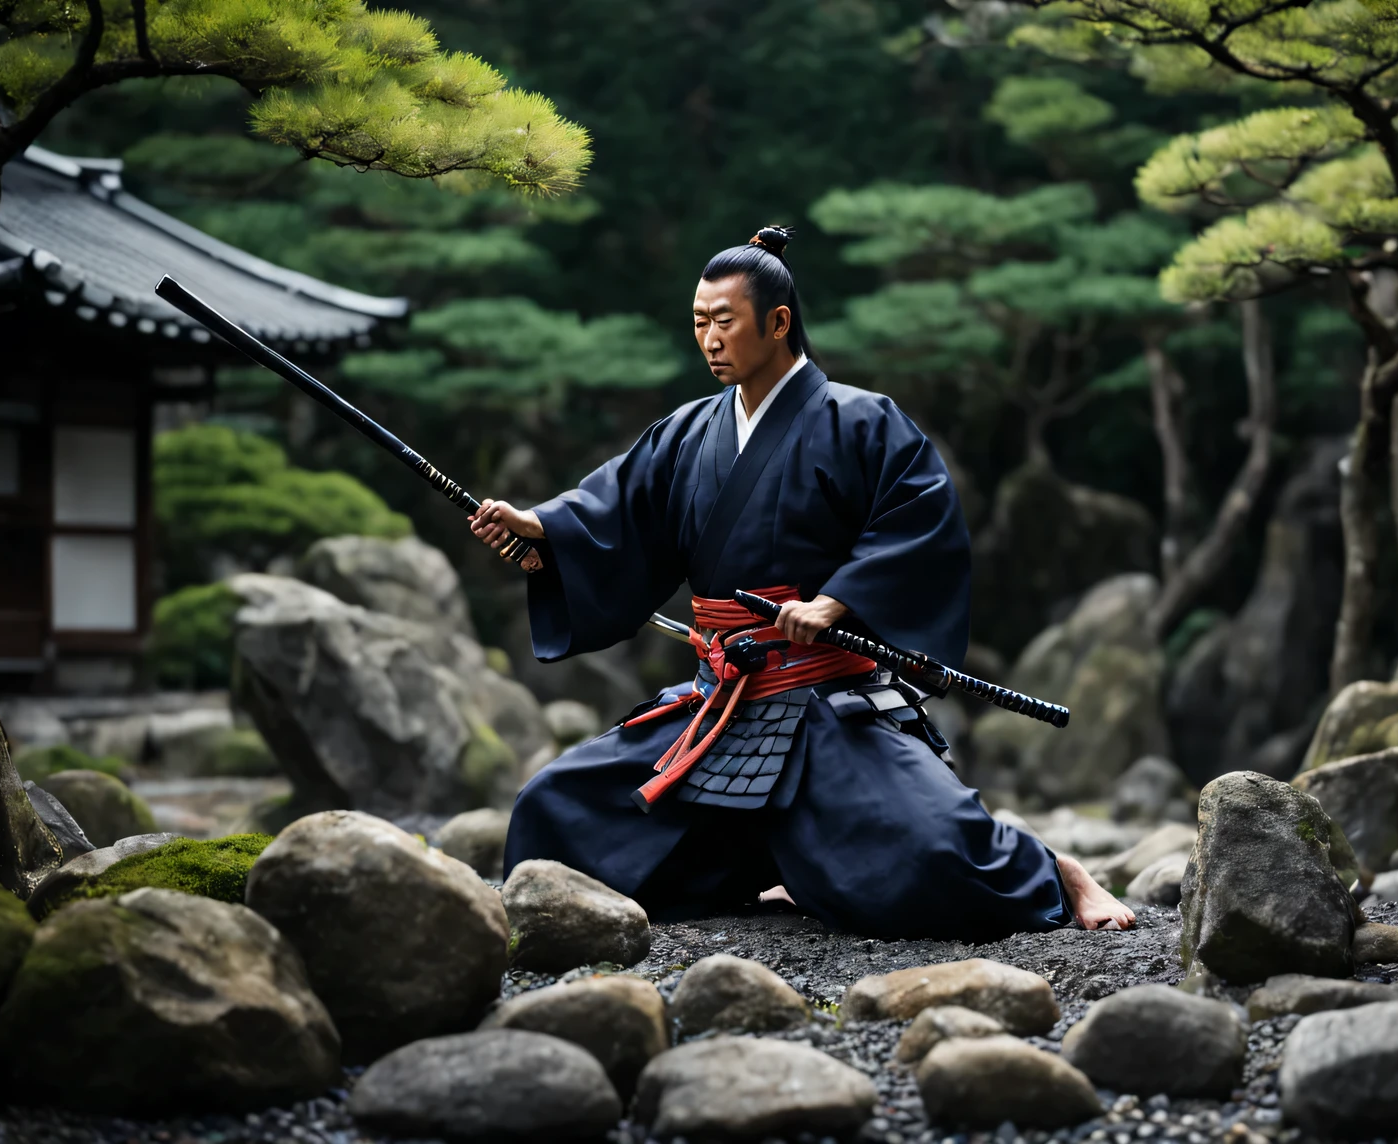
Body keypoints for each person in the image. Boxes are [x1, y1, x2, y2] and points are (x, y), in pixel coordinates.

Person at [469, 226, 1134, 939]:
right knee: (552, 810)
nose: (710, 340)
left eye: (724, 322)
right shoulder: (687, 432)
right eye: (699, 324)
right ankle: (777, 866)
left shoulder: (861, 420)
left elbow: (920, 518)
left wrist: (836, 600)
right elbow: (615, 512)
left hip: (823, 699)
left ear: (778, 323)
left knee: (941, 853)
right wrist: (544, 533)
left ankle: (1056, 870)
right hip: (718, 703)